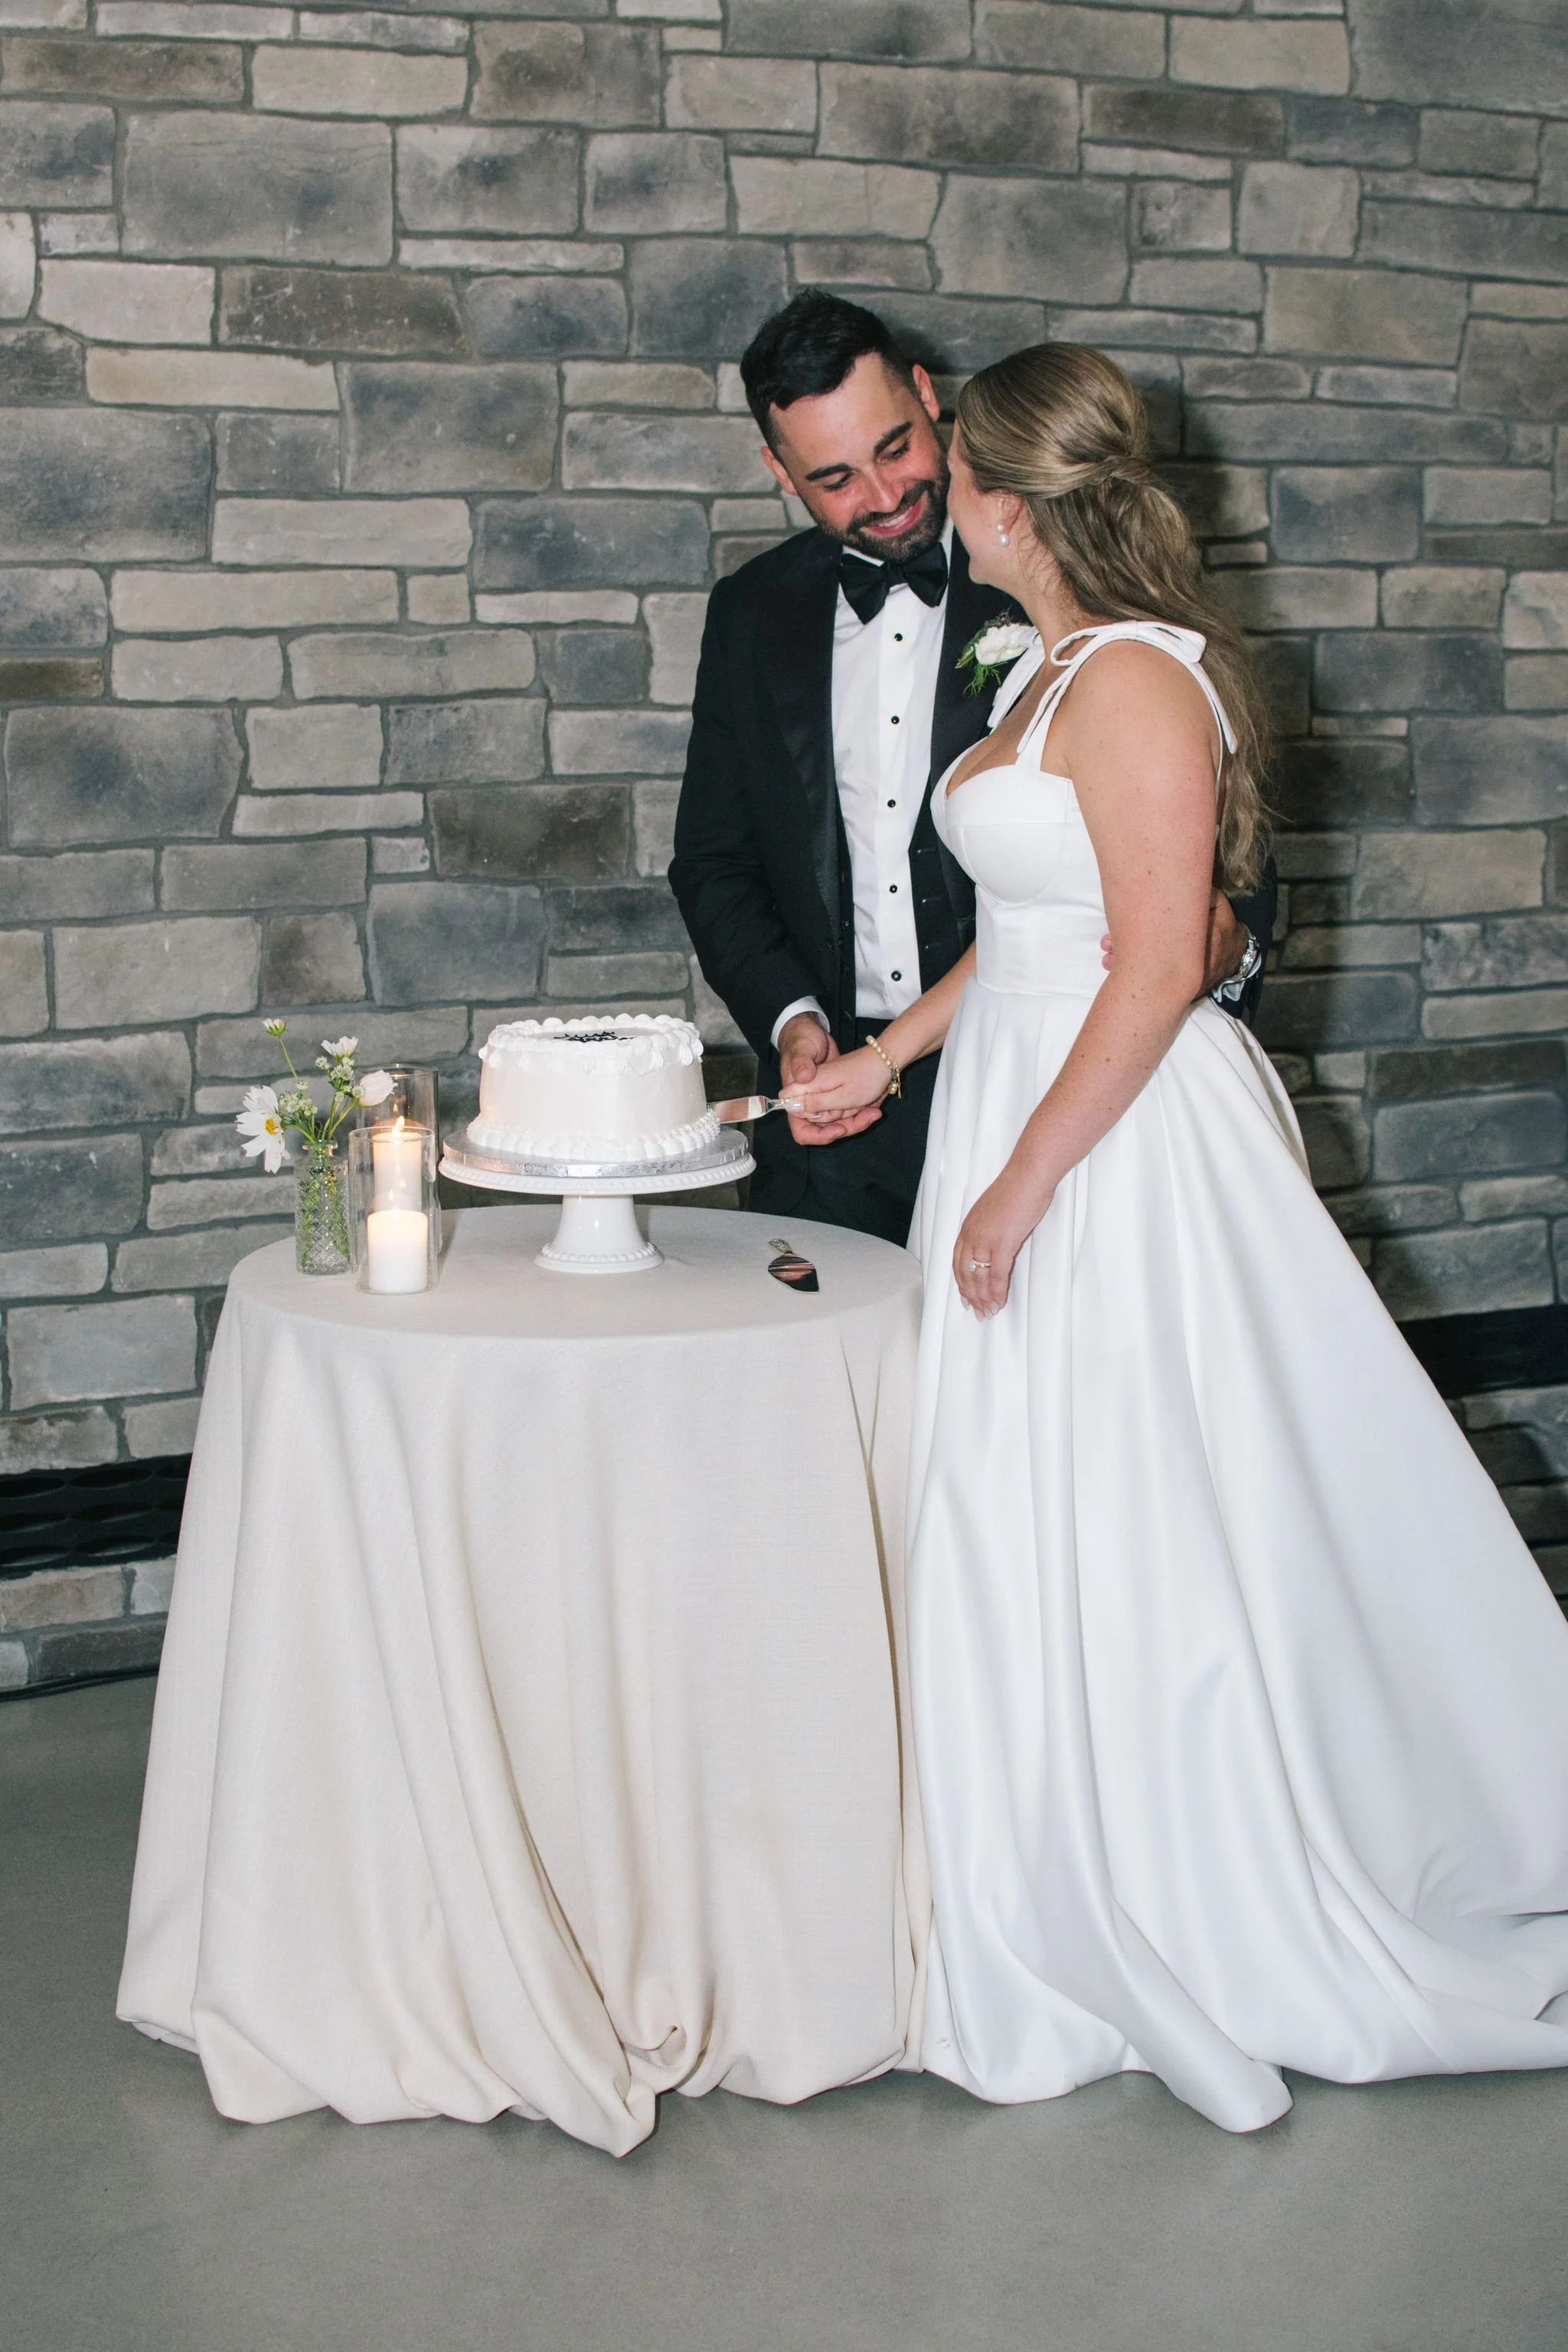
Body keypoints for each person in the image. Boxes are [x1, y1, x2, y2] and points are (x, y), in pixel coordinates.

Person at [794, 342, 1568, 2133]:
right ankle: (1041, 1851)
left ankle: (1199, 1861)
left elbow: (1156, 960)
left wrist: (1017, 1183)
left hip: (1115, 1141)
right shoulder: (1049, 664)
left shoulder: (1137, 680)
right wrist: (893, 1060)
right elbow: (1031, 916)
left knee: (1158, 1499)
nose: (929, 502)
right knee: (1031, 1497)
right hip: (1021, 1095)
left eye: (945, 475)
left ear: (1001, 498)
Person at [670, 291, 1274, 1246]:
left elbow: (1216, 863)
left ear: (927, 399)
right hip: (842, 1108)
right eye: (834, 478)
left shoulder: (1078, 622)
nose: (881, 496)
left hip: (1064, 1084)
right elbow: (713, 862)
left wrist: (1223, 945)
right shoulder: (749, 614)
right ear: (778, 471)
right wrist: (796, 1026)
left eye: (897, 450)